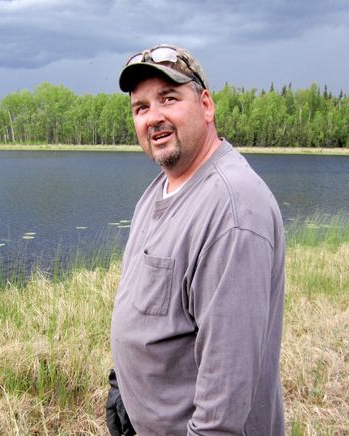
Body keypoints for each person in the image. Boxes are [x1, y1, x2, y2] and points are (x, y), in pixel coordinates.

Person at [107, 44, 286, 435]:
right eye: (141, 107)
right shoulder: (162, 187)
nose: (154, 117)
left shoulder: (233, 210)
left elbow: (224, 398)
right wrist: (124, 387)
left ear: (206, 105)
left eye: (169, 98)